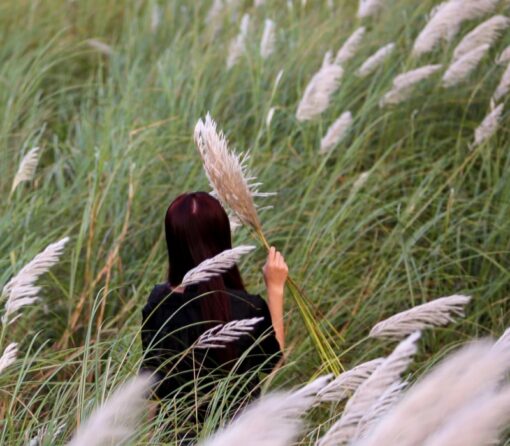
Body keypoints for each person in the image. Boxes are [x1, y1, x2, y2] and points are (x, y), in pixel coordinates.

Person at [140, 191, 287, 427]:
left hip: (176, 438)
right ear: (222, 240)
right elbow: (271, 363)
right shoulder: (246, 307)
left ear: (173, 243)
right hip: (240, 436)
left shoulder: (159, 303)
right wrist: (276, 289)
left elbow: (154, 384)